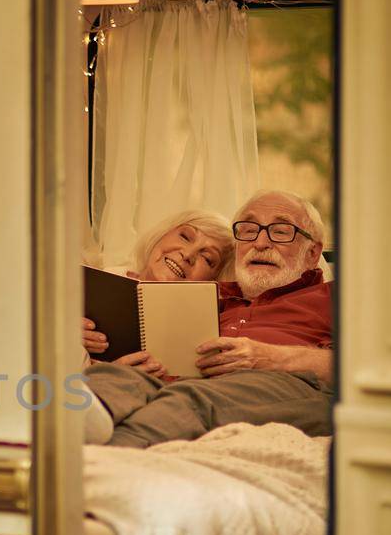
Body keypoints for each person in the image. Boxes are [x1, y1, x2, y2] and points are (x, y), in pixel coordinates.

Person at [82, 190, 333, 448]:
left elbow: (361, 367)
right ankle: (60, 425)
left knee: (189, 398)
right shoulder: (210, 296)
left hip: (285, 385)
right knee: (120, 378)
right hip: (184, 385)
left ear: (313, 252)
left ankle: (99, 455)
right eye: (248, 230)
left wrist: (271, 357)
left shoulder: (336, 297)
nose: (260, 242)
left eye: (280, 231)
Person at [81, 210, 235, 378]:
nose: (188, 255)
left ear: (213, 280)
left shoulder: (202, 331)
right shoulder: (95, 279)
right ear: (161, 235)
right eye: (185, 237)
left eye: (207, 258)